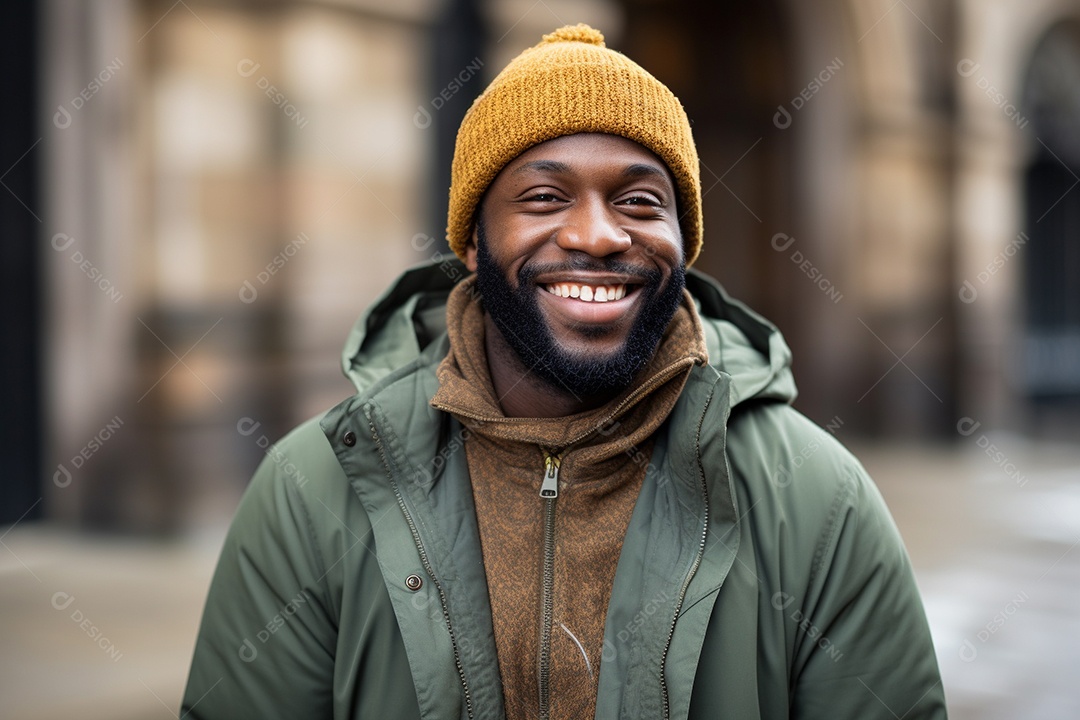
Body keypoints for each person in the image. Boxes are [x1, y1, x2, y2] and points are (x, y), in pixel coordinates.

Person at [182, 23, 947, 720]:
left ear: (685, 244)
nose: (598, 234)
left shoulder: (817, 501)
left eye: (641, 201)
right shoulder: (311, 490)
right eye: (545, 197)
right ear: (474, 244)